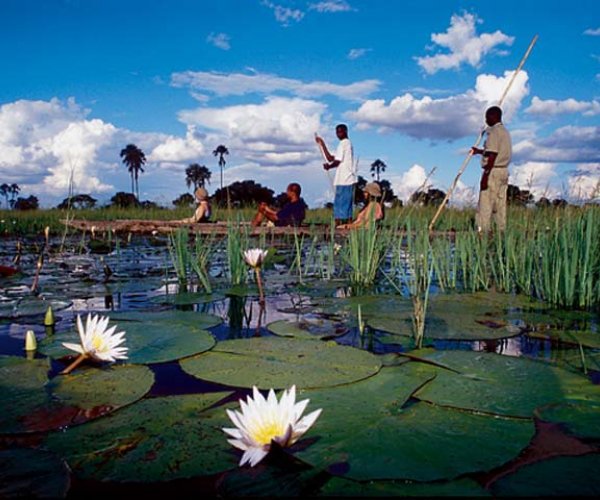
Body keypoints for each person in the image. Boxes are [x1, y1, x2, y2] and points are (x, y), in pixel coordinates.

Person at [471, 106, 512, 233]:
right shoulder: (505, 132)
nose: (486, 120)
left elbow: (493, 154)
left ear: (494, 116)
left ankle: (482, 230)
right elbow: (493, 151)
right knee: (500, 204)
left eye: (487, 117)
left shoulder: (494, 132)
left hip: (493, 171)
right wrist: (479, 152)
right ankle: (501, 230)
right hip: (503, 171)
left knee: (486, 202)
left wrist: (485, 175)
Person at [315, 124, 356, 225]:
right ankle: (342, 224)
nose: (338, 134)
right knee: (340, 203)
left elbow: (337, 162)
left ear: (345, 131)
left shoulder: (344, 143)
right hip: (342, 179)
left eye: (340, 132)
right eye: (337, 132)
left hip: (345, 179)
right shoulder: (344, 144)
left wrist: (329, 167)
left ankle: (340, 225)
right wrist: (322, 144)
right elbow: (330, 158)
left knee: (343, 203)